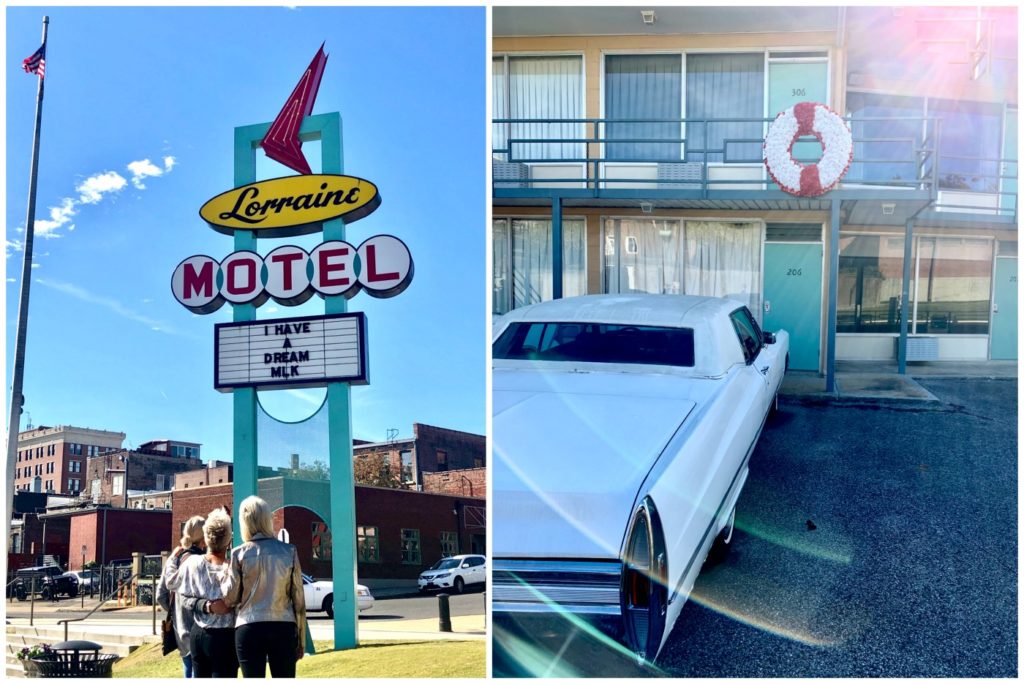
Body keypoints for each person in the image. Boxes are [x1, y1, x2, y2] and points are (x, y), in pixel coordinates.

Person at [217, 495, 307, 678]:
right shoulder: (289, 551)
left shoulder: (238, 554)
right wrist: (301, 638)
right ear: (268, 519)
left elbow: (230, 597)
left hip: (249, 627)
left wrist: (224, 574)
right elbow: (299, 600)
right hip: (283, 626)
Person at [168, 508, 238, 678]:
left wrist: (172, 558)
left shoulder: (192, 563)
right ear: (229, 539)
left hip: (199, 634)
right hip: (225, 636)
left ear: (206, 539)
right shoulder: (235, 567)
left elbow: (172, 584)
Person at [156, 515, 205, 678]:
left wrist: (175, 613)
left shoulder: (175, 559)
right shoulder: (202, 561)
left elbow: (160, 595)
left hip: (180, 629)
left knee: (187, 669)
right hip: (201, 627)